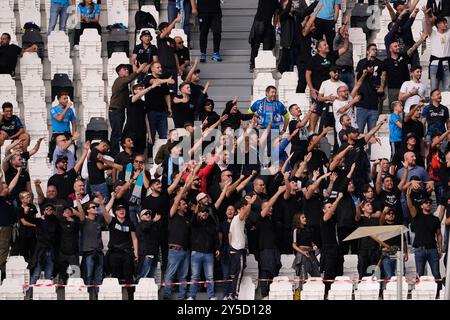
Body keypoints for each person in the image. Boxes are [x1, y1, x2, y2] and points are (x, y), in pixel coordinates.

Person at [306, 36, 349, 132]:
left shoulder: (332, 55)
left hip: (332, 87)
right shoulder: (314, 59)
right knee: (316, 110)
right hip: (318, 89)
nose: (327, 46)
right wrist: (311, 88)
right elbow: (308, 73)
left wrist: (346, 37)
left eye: (327, 44)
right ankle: (312, 131)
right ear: (319, 48)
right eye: (324, 45)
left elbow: (345, 49)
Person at [109, 63, 148, 156]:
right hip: (116, 110)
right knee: (116, 133)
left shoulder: (124, 83)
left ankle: (115, 153)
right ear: (119, 72)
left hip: (119, 111)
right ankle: (114, 154)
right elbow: (130, 78)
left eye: (127, 69)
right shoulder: (119, 80)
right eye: (124, 69)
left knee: (117, 133)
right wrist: (139, 70)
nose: (127, 70)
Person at [406, 186, 443, 284]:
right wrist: (408, 196)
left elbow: (439, 234)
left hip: (432, 249)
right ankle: (418, 294)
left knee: (436, 274)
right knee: (419, 274)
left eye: (430, 203)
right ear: (421, 206)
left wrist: (440, 248)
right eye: (426, 203)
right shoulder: (417, 216)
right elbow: (410, 206)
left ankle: (439, 294)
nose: (428, 204)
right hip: (419, 249)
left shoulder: (435, 219)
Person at [103, 201, 138, 300]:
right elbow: (105, 212)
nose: (121, 211)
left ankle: (131, 297)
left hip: (127, 253)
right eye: (119, 210)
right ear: (115, 212)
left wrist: (136, 252)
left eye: (123, 209)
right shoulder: (112, 221)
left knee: (129, 277)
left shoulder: (130, 223)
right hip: (114, 253)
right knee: (115, 277)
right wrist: (103, 203)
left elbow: (134, 238)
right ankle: (115, 297)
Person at [257, 186, 286, 299]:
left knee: (275, 271)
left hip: (274, 249)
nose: (270, 208)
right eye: (268, 207)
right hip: (266, 249)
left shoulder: (272, 220)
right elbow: (269, 204)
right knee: (266, 271)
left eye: (271, 207)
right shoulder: (260, 218)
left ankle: (272, 293)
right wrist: (278, 191)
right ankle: (264, 295)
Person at [143, 61, 175, 159]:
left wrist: (169, 107)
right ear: (152, 69)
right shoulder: (148, 77)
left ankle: (163, 156)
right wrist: (167, 80)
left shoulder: (163, 81)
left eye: (160, 67)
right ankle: (150, 157)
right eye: (158, 67)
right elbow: (154, 82)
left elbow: (167, 94)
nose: (160, 69)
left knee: (163, 136)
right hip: (151, 111)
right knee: (151, 135)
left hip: (162, 112)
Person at [187, 206, 220, 300]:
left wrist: (217, 248)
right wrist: (194, 213)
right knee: (194, 277)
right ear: (198, 213)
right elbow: (192, 222)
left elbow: (215, 237)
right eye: (202, 212)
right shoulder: (195, 222)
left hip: (209, 253)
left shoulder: (211, 223)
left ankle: (211, 296)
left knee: (210, 277)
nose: (204, 213)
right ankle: (192, 296)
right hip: (196, 253)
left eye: (206, 211)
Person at [383, 36, 427, 106]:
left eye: (398, 46)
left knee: (406, 107)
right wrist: (383, 88)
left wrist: (421, 40)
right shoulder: (386, 61)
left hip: (406, 88)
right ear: (390, 49)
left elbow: (413, 48)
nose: (398, 47)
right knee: (394, 108)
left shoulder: (404, 56)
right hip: (393, 88)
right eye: (395, 46)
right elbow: (384, 76)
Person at [80, 193, 107, 299]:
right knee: (88, 276)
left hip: (99, 251)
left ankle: (97, 297)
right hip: (89, 252)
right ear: (87, 210)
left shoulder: (99, 219)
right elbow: (80, 213)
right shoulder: (84, 220)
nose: (95, 208)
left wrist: (101, 201)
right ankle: (87, 297)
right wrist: (78, 201)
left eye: (96, 206)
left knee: (99, 277)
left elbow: (106, 210)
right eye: (93, 207)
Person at [354, 44, 386, 133]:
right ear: (367, 51)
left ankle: (370, 148)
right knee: (359, 131)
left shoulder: (380, 63)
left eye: (376, 50)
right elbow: (356, 76)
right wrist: (355, 90)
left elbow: (383, 75)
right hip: (362, 104)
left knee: (372, 133)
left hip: (374, 103)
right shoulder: (361, 62)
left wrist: (382, 87)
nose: (375, 51)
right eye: (373, 49)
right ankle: (359, 147)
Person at [122, 83, 156, 154]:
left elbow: (146, 118)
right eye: (139, 89)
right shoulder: (130, 99)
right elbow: (137, 96)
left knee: (140, 150)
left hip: (141, 130)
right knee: (130, 149)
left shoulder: (144, 103)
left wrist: (149, 133)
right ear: (134, 91)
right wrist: (150, 87)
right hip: (131, 129)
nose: (142, 90)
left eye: (142, 89)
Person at [55, 203, 85, 284]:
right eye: (65, 211)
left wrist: (74, 221)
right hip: (62, 252)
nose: (67, 212)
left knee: (76, 275)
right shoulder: (58, 222)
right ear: (63, 213)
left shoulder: (76, 222)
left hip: (73, 253)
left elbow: (82, 219)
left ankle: (75, 290)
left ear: (72, 213)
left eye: (69, 211)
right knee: (62, 275)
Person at [424, 10, 450, 92]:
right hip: (435, 64)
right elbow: (428, 24)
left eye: (446, 23)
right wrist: (426, 15)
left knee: (447, 88)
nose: (446, 24)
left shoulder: (449, 33)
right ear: (438, 25)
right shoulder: (433, 33)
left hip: (447, 63)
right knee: (434, 88)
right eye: (444, 23)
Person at [249, 0, 279, 71]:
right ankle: (255, 64)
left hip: (260, 23)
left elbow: (276, 15)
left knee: (257, 45)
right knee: (262, 46)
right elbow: (276, 15)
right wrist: (274, 27)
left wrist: (274, 27)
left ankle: (253, 64)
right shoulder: (276, 2)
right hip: (263, 23)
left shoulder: (275, 2)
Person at [157, 15, 183, 93]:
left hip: (173, 67)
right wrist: (175, 21)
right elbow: (165, 33)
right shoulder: (159, 38)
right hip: (163, 67)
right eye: (167, 27)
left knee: (174, 89)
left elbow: (175, 54)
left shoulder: (172, 40)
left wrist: (178, 68)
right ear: (162, 30)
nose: (170, 28)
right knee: (163, 89)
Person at [49, 92, 78, 161]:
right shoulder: (53, 109)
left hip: (67, 134)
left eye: (67, 98)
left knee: (71, 155)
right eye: (64, 99)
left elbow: (74, 122)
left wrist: (73, 134)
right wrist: (66, 108)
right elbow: (59, 119)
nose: (66, 100)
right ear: (59, 100)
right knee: (57, 157)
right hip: (57, 134)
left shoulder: (70, 110)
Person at [291, 212, 321, 278]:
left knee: (316, 274)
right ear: (298, 219)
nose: (305, 219)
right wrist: (303, 252)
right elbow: (294, 245)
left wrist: (314, 245)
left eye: (305, 217)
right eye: (303, 217)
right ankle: (301, 288)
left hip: (310, 253)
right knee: (303, 275)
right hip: (302, 254)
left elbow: (310, 241)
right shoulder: (296, 230)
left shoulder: (308, 229)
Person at [136, 209, 161, 280]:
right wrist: (153, 220)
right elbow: (145, 227)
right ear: (141, 217)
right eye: (146, 214)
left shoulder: (152, 225)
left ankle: (149, 291)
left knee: (151, 278)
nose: (148, 215)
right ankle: (140, 290)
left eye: (149, 213)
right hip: (146, 254)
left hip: (154, 254)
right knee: (143, 276)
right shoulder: (140, 224)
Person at [0, 176, 15, 279]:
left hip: (8, 228)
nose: (7, 189)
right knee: (2, 250)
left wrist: (18, 173)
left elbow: (12, 185)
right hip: (3, 227)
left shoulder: (8, 199)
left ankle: (3, 273)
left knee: (4, 250)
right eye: (5, 188)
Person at [16, 191, 38, 262]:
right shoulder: (19, 209)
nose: (29, 198)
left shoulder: (32, 206)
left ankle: (33, 269)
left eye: (29, 197)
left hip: (32, 234)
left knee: (33, 252)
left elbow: (34, 218)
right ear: (22, 200)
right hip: (24, 234)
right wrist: (25, 213)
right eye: (27, 197)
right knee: (24, 253)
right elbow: (24, 223)